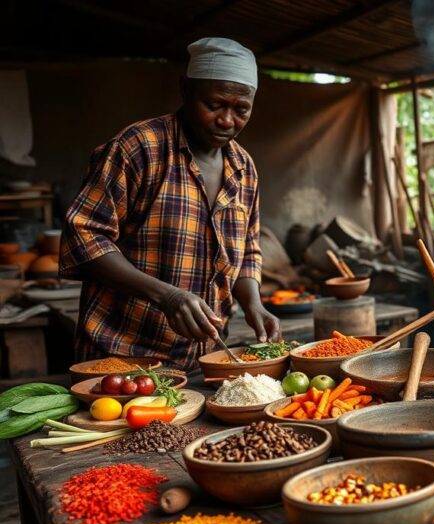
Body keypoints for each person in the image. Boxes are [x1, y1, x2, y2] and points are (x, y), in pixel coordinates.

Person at [59, 37, 279, 369]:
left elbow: (247, 249)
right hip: (123, 356)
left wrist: (253, 304)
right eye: (215, 104)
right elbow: (84, 235)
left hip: (204, 359)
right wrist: (167, 296)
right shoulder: (138, 148)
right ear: (185, 90)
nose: (227, 120)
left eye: (241, 109)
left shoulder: (244, 168)